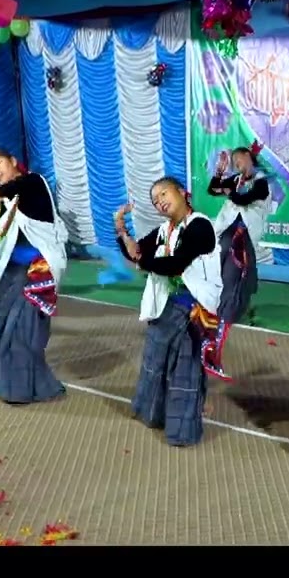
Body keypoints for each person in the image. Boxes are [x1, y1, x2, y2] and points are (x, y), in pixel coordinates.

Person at [115, 177, 222, 447]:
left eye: (164, 193)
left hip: (193, 309)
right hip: (166, 307)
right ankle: (155, 414)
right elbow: (138, 252)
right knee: (156, 362)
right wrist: (121, 230)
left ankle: (182, 430)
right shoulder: (166, 229)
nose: (160, 201)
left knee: (185, 368)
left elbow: (175, 264)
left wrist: (143, 262)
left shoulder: (200, 226)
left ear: (183, 193)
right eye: (155, 200)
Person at [0, 148, 69, 405]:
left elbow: (6, 191)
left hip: (37, 272)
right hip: (10, 272)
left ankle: (20, 388)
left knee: (21, 329)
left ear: (13, 162)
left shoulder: (34, 182)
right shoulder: (6, 202)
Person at [204, 141, 271, 378]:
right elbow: (212, 189)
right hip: (226, 235)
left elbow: (245, 199)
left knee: (235, 283)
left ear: (248, 157)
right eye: (232, 163)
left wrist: (229, 191)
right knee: (217, 278)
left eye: (237, 160)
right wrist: (220, 172)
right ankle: (210, 330)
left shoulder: (262, 181)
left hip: (244, 240)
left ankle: (216, 345)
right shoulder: (236, 180)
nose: (235, 164)